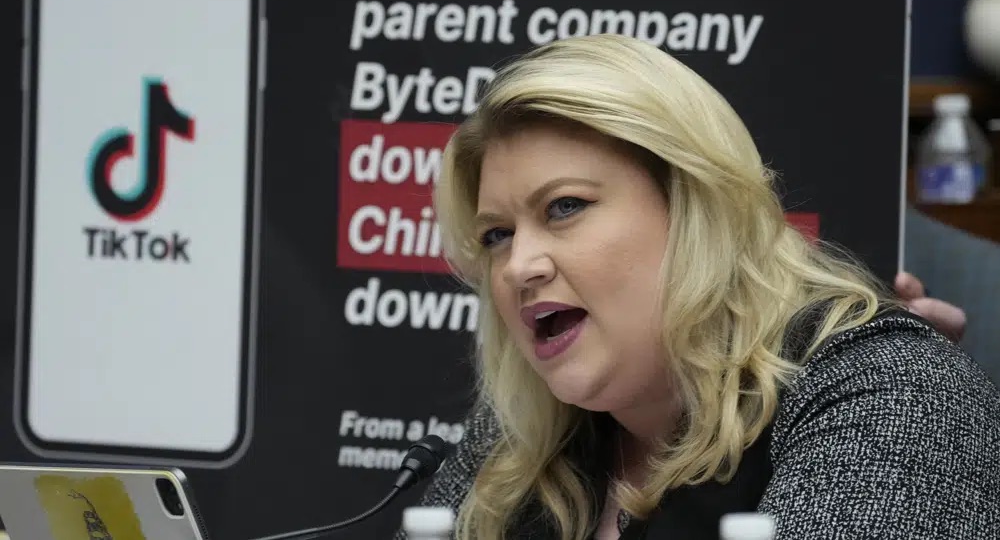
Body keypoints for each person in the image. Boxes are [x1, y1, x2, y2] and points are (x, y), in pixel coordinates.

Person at [395, 34, 1000, 539]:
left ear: (693, 207)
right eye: (497, 235)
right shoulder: (522, 436)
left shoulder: (892, 396)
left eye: (564, 207)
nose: (520, 265)